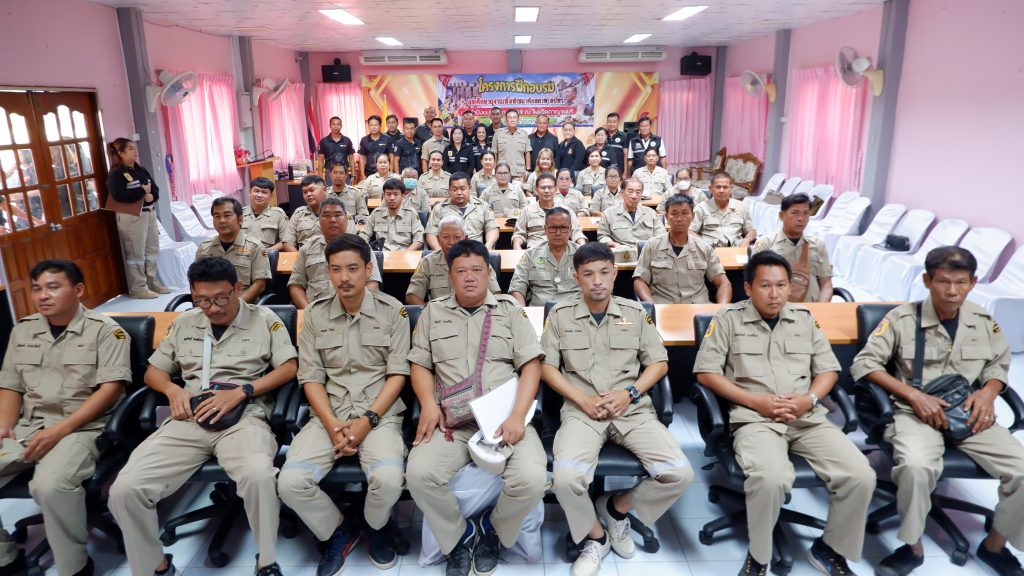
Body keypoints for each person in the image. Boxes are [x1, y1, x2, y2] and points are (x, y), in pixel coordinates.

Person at [109, 256, 298, 576]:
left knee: (258, 476)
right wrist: (173, 391)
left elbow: (289, 367)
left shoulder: (265, 319)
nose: (212, 308)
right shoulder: (185, 323)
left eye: (221, 298)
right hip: (189, 417)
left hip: (244, 417)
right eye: (202, 300)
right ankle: (156, 565)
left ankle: (266, 561)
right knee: (125, 489)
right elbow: (154, 371)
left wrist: (243, 391)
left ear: (238, 288)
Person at [694, 250, 875, 576]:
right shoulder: (728, 319)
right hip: (755, 419)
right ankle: (759, 557)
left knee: (860, 475)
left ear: (790, 286)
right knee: (770, 478)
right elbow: (706, 373)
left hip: (806, 417)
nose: (774, 293)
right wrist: (755, 402)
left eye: (781, 285)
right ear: (748, 288)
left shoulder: (804, 319)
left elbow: (829, 371)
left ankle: (830, 549)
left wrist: (810, 399)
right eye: (765, 285)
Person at [850, 246, 1024, 576]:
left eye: (961, 282)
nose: (952, 291)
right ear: (927, 280)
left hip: (967, 412)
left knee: (1023, 470)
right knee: (916, 467)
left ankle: (995, 546)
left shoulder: (982, 321)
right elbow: (864, 364)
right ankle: (912, 548)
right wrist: (913, 395)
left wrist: (988, 392)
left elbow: (998, 364)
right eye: (944, 281)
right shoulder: (902, 319)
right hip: (914, 414)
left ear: (973, 282)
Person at [543, 243, 692, 576]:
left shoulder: (635, 313)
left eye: (604, 273)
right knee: (565, 480)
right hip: (582, 411)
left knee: (679, 474)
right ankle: (596, 537)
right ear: (576, 278)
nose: (597, 281)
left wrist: (630, 393)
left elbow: (659, 362)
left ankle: (615, 509)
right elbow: (547, 367)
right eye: (588, 274)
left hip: (631, 410)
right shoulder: (560, 315)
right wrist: (580, 398)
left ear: (615, 274)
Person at [405, 239, 547, 576]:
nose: (469, 277)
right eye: (461, 271)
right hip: (452, 422)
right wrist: (428, 404)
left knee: (532, 479)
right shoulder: (432, 313)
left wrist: (517, 416)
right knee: (419, 475)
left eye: (477, 270)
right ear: (449, 276)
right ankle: (459, 536)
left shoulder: (510, 311)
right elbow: (420, 364)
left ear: (489, 274)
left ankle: (494, 531)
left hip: (503, 420)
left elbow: (531, 365)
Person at [279, 234, 410, 575]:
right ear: (327, 271)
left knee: (389, 479)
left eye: (352, 268)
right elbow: (310, 377)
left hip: (379, 414)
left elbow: (398, 374)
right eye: (336, 269)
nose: (344, 277)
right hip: (329, 414)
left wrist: (367, 420)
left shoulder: (393, 311)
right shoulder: (315, 314)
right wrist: (331, 423)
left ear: (368, 269)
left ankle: (373, 525)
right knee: (290, 483)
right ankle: (339, 529)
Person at [0, 260, 131, 576]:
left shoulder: (107, 331)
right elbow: (11, 385)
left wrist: (59, 431)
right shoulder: (23, 330)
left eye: (53, 287)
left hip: (81, 428)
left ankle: (76, 567)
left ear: (78, 289)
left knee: (50, 486)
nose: (43, 295)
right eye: (36, 289)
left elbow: (110, 390)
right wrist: (4, 424)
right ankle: (6, 559)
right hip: (30, 424)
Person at [633, 194, 730, 304]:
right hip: (663, 306)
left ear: (692, 216)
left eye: (684, 213)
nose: (679, 219)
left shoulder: (704, 248)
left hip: (699, 307)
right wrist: (652, 306)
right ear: (666, 217)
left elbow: (723, 283)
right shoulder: (652, 246)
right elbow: (640, 281)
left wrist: (721, 309)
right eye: (674, 214)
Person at [289, 197, 381, 309]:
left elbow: (372, 283)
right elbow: (296, 285)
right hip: (316, 311)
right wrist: (308, 311)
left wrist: (357, 310)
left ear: (347, 219)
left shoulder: (361, 247)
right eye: (326, 215)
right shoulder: (307, 249)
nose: (332, 220)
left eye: (338, 215)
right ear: (319, 221)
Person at [106, 138, 169, 299]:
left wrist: (151, 196)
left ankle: (152, 282)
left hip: (149, 213)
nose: (135, 152)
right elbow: (119, 195)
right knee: (136, 253)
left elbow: (155, 189)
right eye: (130, 149)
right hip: (132, 217)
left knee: (152, 249)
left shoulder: (140, 170)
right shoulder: (116, 173)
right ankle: (138, 287)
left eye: (135, 148)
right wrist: (142, 192)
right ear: (121, 153)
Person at [751, 193, 834, 303]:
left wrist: (821, 308)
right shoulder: (766, 244)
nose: (801, 218)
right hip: (776, 307)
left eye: (806, 213)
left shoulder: (818, 245)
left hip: (812, 309)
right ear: (782, 216)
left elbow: (826, 284)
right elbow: (756, 283)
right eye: (795, 213)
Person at [406, 216, 499, 305]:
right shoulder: (427, 262)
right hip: (441, 313)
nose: (451, 242)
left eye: (457, 237)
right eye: (445, 237)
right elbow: (412, 296)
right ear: (438, 239)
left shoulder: (479, 261)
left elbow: (495, 295)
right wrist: (431, 312)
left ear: (466, 238)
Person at [195, 197, 271, 303]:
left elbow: (260, 285)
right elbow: (195, 282)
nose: (222, 220)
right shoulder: (204, 248)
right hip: (209, 306)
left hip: (243, 306)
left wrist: (235, 306)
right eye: (217, 216)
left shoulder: (254, 247)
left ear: (240, 219)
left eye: (227, 215)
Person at [509, 207, 581, 306]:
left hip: (574, 310)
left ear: (570, 229)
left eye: (563, 228)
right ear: (545, 229)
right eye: (553, 228)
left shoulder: (582, 254)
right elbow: (517, 287)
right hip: (539, 310)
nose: (558, 233)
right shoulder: (531, 254)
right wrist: (522, 312)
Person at [424, 172, 499, 250]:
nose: (459, 193)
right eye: (455, 189)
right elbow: (430, 233)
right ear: (449, 190)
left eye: (463, 189)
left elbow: (492, 228)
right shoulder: (439, 208)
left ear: (470, 188)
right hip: (449, 252)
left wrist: (488, 245)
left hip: (476, 252)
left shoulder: (482, 206)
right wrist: (439, 250)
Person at [512, 174, 586, 249]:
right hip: (535, 251)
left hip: (562, 251)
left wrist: (582, 248)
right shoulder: (527, 211)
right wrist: (517, 247)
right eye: (543, 188)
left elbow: (577, 233)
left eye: (550, 187)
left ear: (556, 189)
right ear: (536, 190)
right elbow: (519, 234)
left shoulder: (566, 211)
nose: (546, 191)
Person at [690, 172, 756, 248]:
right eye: (718, 187)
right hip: (711, 250)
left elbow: (751, 231)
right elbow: (690, 231)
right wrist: (702, 243)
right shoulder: (701, 208)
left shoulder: (741, 206)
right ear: (710, 189)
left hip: (736, 249)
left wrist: (747, 240)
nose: (722, 191)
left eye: (725, 187)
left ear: (731, 189)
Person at [360, 177, 425, 251]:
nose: (392, 198)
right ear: (384, 195)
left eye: (396, 194)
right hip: (381, 253)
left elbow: (419, 237)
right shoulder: (377, 213)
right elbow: (364, 234)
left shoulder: (411, 214)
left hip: (405, 253)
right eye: (388, 194)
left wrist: (408, 252)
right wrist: (369, 251)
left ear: (403, 196)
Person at [597, 178, 658, 249]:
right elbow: (602, 236)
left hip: (647, 251)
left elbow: (661, 236)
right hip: (622, 252)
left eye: (638, 192)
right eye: (630, 192)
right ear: (622, 193)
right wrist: (612, 244)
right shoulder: (609, 214)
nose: (634, 196)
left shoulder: (651, 213)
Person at [241, 177, 291, 251]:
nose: (259, 195)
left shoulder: (278, 214)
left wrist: (265, 253)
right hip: (243, 253)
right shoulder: (239, 213)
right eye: (256, 191)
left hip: (268, 254)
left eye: (264, 192)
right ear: (249, 192)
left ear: (271, 196)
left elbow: (285, 241)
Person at [282, 175, 329, 250]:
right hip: (304, 255)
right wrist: (299, 256)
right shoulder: (299, 213)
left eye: (312, 190)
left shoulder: (337, 212)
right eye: (305, 192)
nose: (308, 194)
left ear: (325, 190)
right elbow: (287, 242)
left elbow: (346, 241)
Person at [492, 109, 531, 180]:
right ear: (506, 120)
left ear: (518, 119)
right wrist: (494, 169)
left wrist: (527, 169)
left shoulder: (524, 134)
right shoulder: (498, 133)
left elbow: (527, 153)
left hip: (519, 172)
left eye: (514, 117)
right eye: (510, 118)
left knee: (518, 187)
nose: (512, 120)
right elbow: (495, 153)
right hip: (502, 171)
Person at [357, 115, 393, 181]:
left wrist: (391, 172)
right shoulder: (364, 140)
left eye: (376, 125)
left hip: (384, 172)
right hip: (369, 172)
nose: (373, 127)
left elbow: (391, 156)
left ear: (380, 126)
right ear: (368, 126)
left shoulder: (387, 139)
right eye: (371, 125)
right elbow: (362, 158)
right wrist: (362, 174)